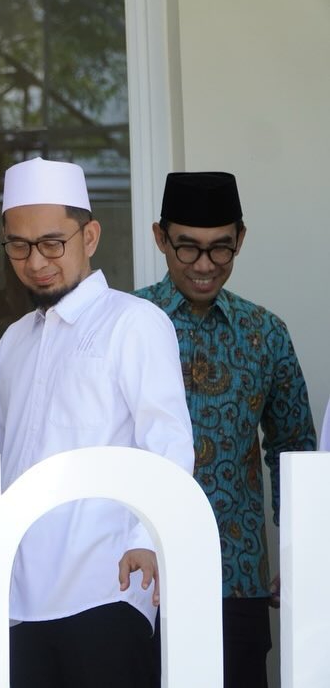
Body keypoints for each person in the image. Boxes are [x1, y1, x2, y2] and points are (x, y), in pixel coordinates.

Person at [0, 157, 194, 688]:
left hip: (107, 586)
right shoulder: (14, 342)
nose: (35, 261)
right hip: (17, 598)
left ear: (90, 235)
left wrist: (152, 537)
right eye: (19, 246)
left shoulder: (135, 323)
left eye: (53, 243)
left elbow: (168, 442)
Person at [134, 171, 316, 688]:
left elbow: (293, 450)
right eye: (187, 248)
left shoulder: (265, 334)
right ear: (160, 237)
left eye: (222, 249)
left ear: (240, 238)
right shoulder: (127, 322)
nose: (206, 265)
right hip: (138, 578)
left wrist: (300, 554)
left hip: (236, 577)